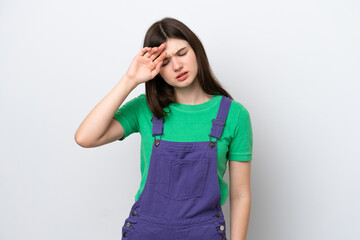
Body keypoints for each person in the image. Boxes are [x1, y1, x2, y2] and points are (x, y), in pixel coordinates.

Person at [75, 17, 252, 240]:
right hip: (146, 233)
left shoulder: (234, 115)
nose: (177, 66)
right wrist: (130, 79)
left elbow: (240, 194)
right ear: (156, 68)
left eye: (182, 53)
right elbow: (85, 137)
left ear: (196, 50)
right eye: (165, 62)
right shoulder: (145, 108)